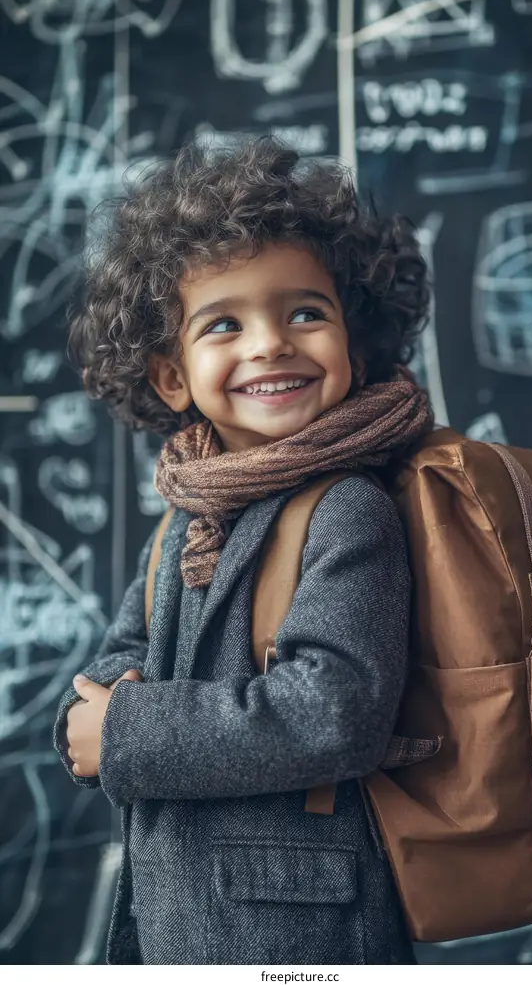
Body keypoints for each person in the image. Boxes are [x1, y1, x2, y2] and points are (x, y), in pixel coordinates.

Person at [53, 136, 434, 965]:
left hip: (302, 930)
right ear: (170, 377)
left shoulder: (347, 509)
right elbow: (125, 658)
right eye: (225, 322)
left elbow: (332, 711)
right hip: (179, 918)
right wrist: (92, 712)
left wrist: (123, 732)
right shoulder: (188, 515)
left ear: (356, 347)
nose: (269, 343)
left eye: (305, 312)